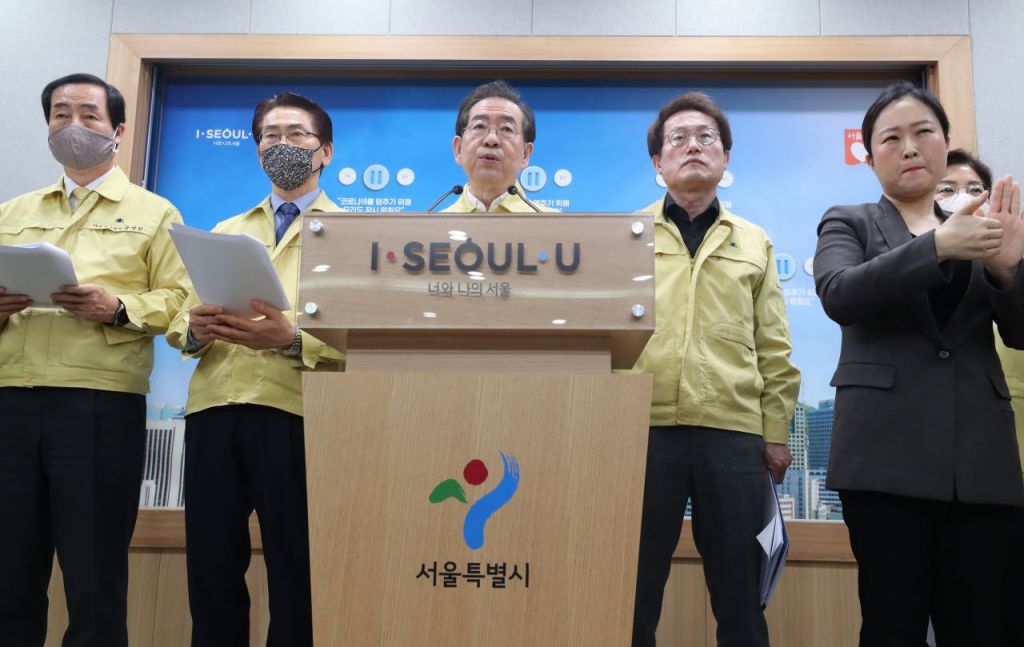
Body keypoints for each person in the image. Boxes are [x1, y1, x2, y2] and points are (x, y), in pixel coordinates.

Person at [814, 82, 1024, 645]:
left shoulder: (983, 225)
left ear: (944, 142)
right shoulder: (849, 221)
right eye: (891, 138)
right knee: (892, 626)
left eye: (923, 132)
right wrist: (937, 246)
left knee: (982, 628)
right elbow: (840, 294)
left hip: (978, 463)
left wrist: (1007, 270)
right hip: (883, 461)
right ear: (870, 157)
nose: (909, 147)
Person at [0, 72, 189, 646]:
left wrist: (119, 308)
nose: (73, 125)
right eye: (61, 114)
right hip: (11, 400)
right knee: (8, 572)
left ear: (118, 130)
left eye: (88, 115)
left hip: (99, 405)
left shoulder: (155, 212)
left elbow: (181, 300)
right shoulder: (12, 212)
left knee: (94, 573)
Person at [165, 91, 344, 647]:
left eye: (296, 135)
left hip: (299, 414)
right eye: (270, 136)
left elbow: (366, 342)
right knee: (211, 570)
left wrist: (293, 340)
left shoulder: (354, 233)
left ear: (325, 151)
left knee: (298, 569)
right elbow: (178, 320)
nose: (282, 145)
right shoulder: (226, 229)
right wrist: (196, 328)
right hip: (215, 409)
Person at [629, 91, 801, 647]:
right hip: (642, 429)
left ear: (725, 158)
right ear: (658, 162)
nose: (693, 146)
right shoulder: (626, 234)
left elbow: (773, 345)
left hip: (733, 434)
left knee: (741, 599)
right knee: (630, 594)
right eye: (677, 138)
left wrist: (775, 432)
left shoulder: (754, 242)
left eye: (706, 137)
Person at [940, 148, 1024, 645]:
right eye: (947, 189)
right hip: (974, 477)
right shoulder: (929, 270)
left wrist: (1006, 270)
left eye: (974, 190)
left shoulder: (1007, 268)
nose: (963, 199)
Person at [444, 80, 556, 213]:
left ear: (525, 154)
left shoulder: (553, 223)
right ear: (458, 149)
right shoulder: (434, 224)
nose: (491, 140)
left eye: (506, 129)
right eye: (479, 126)